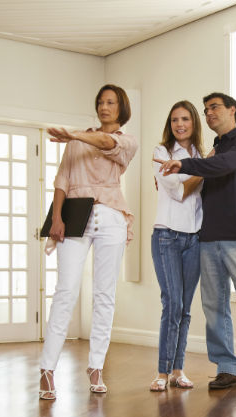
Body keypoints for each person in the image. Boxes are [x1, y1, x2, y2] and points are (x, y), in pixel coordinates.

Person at [157, 92, 236, 395]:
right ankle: (225, 368)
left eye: (215, 108)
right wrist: (191, 164)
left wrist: (184, 164)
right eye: (206, 110)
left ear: (232, 111)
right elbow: (197, 183)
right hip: (208, 239)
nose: (209, 113)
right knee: (214, 307)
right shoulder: (210, 151)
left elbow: (221, 166)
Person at [38, 84, 138, 400]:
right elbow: (62, 181)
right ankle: (46, 369)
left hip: (111, 217)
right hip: (75, 216)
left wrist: (75, 135)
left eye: (110, 102)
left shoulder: (126, 142)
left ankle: (96, 366)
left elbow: (107, 143)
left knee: (104, 294)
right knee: (65, 290)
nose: (104, 106)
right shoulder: (76, 142)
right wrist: (56, 217)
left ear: (121, 108)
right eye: (100, 101)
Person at [149, 101, 205, 392]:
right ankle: (162, 371)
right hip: (167, 237)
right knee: (172, 305)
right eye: (174, 120)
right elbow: (181, 192)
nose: (179, 124)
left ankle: (177, 370)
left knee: (185, 309)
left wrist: (203, 164)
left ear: (194, 122)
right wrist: (206, 170)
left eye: (185, 119)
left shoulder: (200, 155)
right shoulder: (162, 153)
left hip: (195, 238)